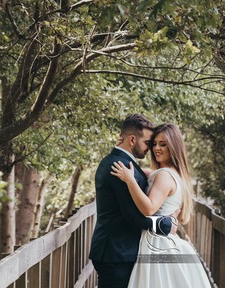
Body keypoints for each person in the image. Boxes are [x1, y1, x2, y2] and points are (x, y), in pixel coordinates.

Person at [111, 123, 212, 287]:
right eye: (154, 144)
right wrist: (124, 150)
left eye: (163, 144)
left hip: (157, 243)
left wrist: (130, 181)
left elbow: (149, 208)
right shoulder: (169, 173)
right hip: (162, 239)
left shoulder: (164, 176)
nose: (157, 148)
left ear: (173, 147)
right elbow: (141, 172)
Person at [89, 114, 177, 288]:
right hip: (115, 253)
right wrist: (166, 224)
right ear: (131, 140)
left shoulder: (122, 162)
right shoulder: (119, 166)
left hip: (117, 251)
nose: (150, 148)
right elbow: (132, 216)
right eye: (147, 143)